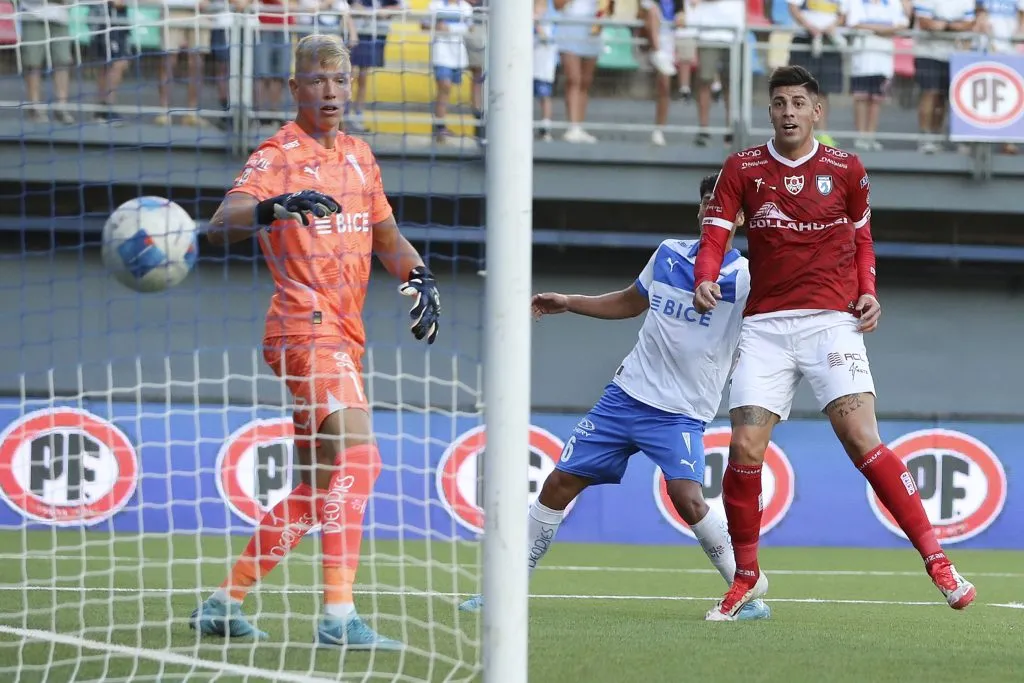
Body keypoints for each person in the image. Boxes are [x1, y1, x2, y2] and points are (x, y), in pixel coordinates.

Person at [692, 65, 976, 621]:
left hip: (830, 321)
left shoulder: (846, 168)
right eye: (779, 103)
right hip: (766, 326)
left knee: (859, 436)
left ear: (817, 111)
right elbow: (715, 234)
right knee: (745, 448)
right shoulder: (742, 168)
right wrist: (707, 274)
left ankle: (939, 562)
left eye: (799, 102)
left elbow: (863, 240)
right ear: (769, 111)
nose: (789, 112)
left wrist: (868, 291)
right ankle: (745, 577)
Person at [189, 34, 442, 649]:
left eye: (340, 80)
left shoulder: (359, 155)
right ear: (295, 87)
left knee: (316, 483)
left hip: (343, 334)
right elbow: (220, 226)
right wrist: (274, 206)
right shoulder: (277, 152)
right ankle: (337, 616)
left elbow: (387, 238)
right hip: (305, 327)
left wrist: (419, 276)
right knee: (362, 458)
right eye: (317, 80)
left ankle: (225, 603)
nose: (329, 91)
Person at [458, 173, 770, 622]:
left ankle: (748, 595)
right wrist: (568, 301)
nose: (712, 211)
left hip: (681, 412)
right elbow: (628, 301)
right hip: (625, 396)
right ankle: (503, 590)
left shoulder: (744, 278)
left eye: (722, 205)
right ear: (700, 210)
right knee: (558, 485)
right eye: (706, 202)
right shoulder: (667, 255)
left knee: (687, 497)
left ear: (738, 217)